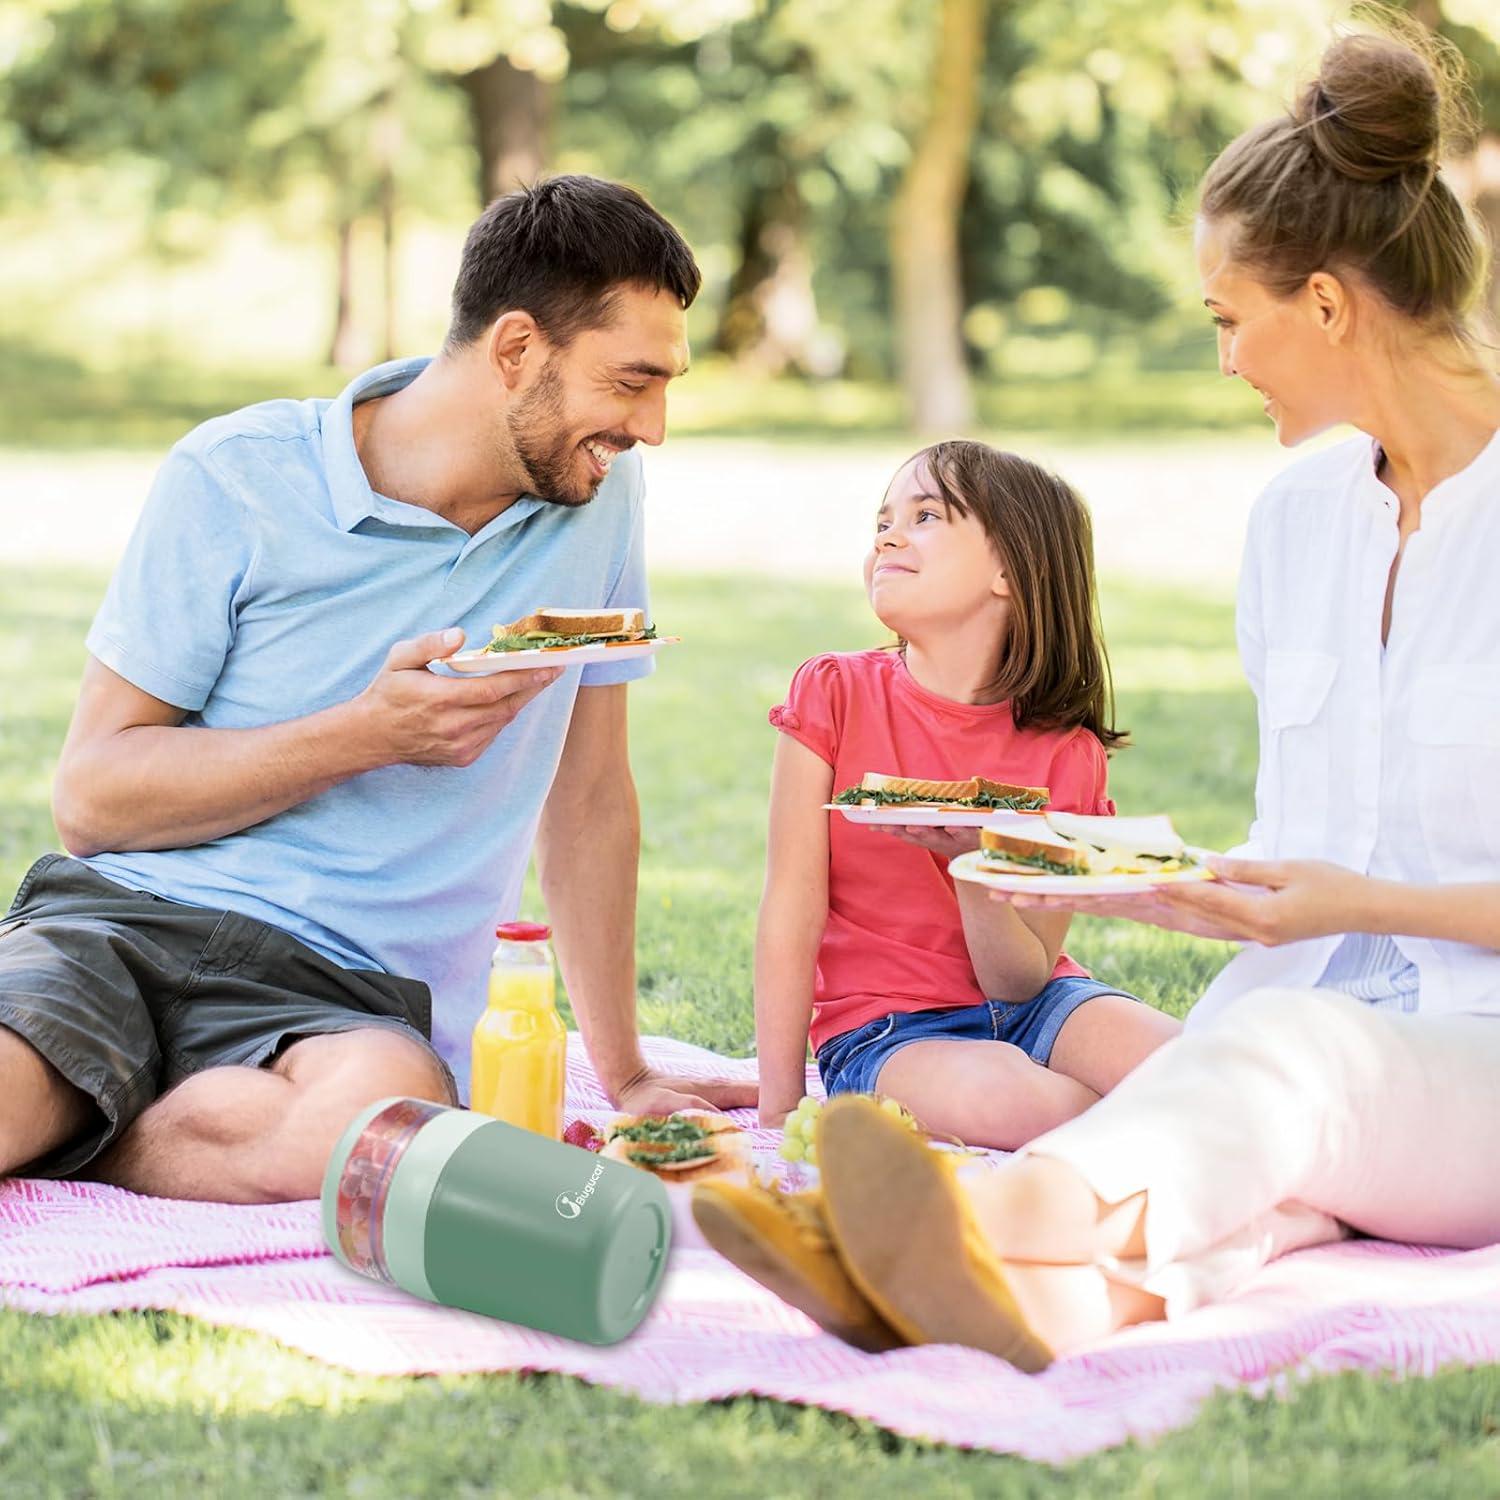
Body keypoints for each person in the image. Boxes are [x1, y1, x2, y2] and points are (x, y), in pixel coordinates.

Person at [758, 21, 1500, 1369]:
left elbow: (1356, 896)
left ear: (1329, 305)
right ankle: (1037, 1292)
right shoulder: (1296, 525)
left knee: (1292, 1082)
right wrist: (1146, 888)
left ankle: (964, 1239)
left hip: (1467, 1055)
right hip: (1295, 1022)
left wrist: (1363, 908)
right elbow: (1299, 870)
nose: (1223, 360)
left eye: (1231, 319)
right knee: (1257, 1147)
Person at [0, 174, 754, 1204]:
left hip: (356, 994)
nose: (654, 425)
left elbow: (588, 796)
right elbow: (91, 803)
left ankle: (94, 1120)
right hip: (126, 925)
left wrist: (624, 1073)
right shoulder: (235, 476)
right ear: (517, 348)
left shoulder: (598, 499)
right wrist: (364, 733)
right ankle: (78, 1094)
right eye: (631, 382)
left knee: (381, 1139)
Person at [691, 441, 1179, 1350]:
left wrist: (974, 868)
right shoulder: (832, 693)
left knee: (1191, 1065)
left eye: (924, 517)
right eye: (882, 518)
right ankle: (1096, 1211)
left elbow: (1021, 985)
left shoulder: (1064, 754)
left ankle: (1198, 1185)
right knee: (1016, 1101)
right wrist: (775, 1105)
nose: (888, 535)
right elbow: (789, 909)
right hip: (886, 1028)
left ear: (1010, 569)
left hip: (1038, 1001)